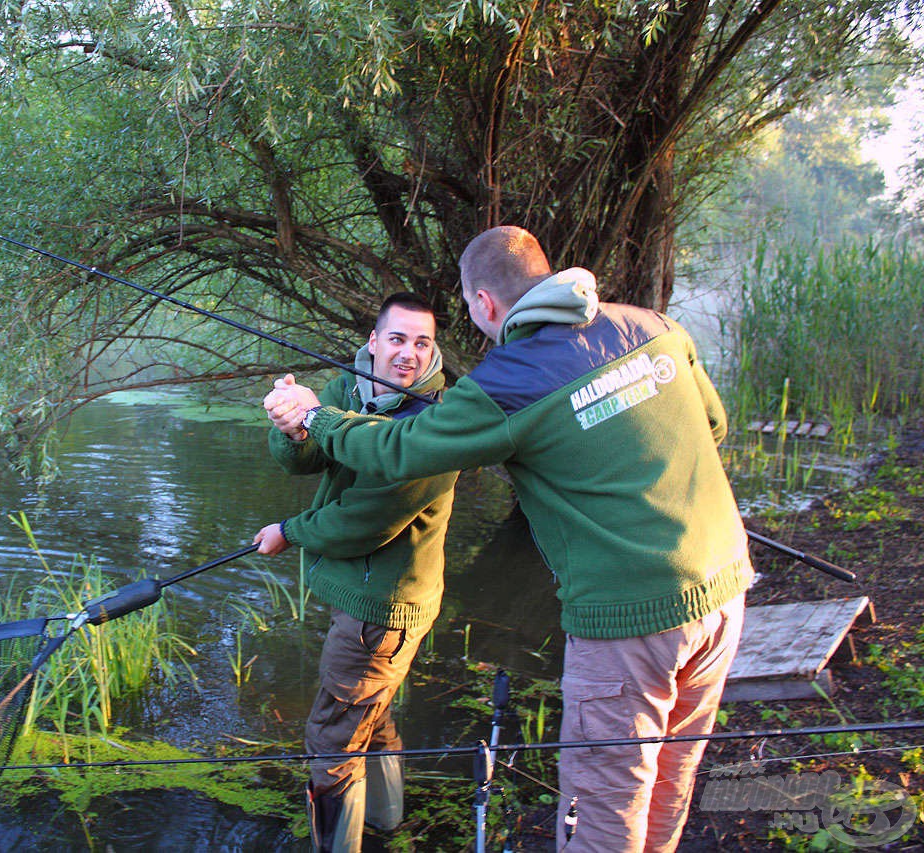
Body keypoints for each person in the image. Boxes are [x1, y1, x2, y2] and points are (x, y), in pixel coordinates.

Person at [264, 227, 752, 852]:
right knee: (668, 776)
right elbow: (712, 425)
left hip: (631, 617)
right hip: (724, 583)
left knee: (604, 807)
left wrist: (312, 417)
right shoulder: (651, 324)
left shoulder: (512, 379)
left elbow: (400, 449)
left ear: (485, 305)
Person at [253, 292, 458, 852]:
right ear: (373, 342)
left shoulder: (437, 420)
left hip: (384, 605)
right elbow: (305, 460)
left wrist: (289, 531)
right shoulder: (352, 385)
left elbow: (369, 521)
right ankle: (389, 827)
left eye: (422, 342)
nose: (409, 354)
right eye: (397, 339)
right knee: (374, 715)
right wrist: (293, 421)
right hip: (367, 597)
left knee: (331, 737)